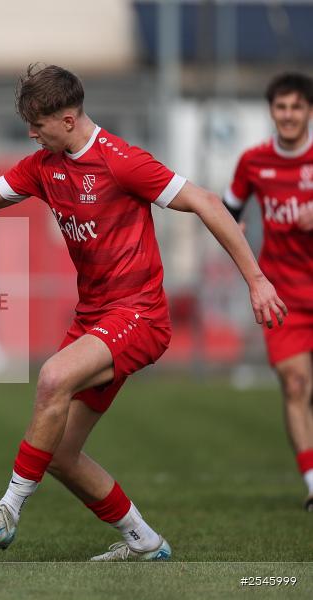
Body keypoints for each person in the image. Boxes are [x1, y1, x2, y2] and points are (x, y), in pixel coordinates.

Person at [0, 64, 286, 561]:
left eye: (37, 124)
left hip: (140, 316)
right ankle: (144, 542)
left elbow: (207, 202)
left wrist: (256, 280)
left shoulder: (122, 162)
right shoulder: (43, 165)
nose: (31, 134)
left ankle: (8, 510)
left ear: (67, 120)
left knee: (52, 377)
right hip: (94, 320)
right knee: (61, 454)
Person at [224, 72, 313, 511]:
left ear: (309, 111)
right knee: (295, 385)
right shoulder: (253, 161)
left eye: (297, 106)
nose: (289, 115)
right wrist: (233, 228)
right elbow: (228, 208)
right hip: (285, 297)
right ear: (271, 111)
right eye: (281, 107)